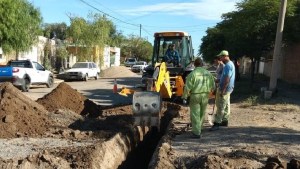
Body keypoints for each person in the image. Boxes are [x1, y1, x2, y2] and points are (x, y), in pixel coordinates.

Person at [182, 58, 215, 138]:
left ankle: (196, 133)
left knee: (195, 114)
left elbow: (187, 87)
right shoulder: (208, 73)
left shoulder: (192, 74)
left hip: (195, 95)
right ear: (202, 64)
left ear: (194, 64)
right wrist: (212, 92)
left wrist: (185, 97)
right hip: (205, 95)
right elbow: (213, 86)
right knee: (202, 113)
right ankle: (199, 128)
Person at [210, 50, 235, 131]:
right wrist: (219, 81)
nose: (220, 58)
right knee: (226, 104)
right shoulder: (230, 64)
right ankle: (225, 120)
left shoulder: (227, 65)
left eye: (221, 56)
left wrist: (223, 89)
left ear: (225, 56)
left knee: (221, 106)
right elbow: (225, 78)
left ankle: (217, 123)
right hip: (228, 88)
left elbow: (227, 79)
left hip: (225, 89)